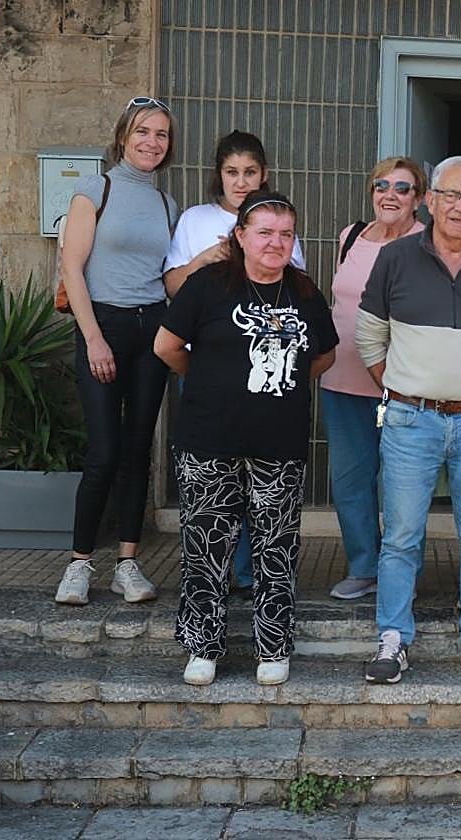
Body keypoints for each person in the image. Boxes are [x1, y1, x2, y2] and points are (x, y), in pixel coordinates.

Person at [153, 190, 338, 687]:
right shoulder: (208, 285)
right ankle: (202, 646)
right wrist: (213, 378)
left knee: (276, 547)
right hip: (208, 440)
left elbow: (324, 357)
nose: (275, 243)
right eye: (264, 232)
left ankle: (273, 646)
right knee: (206, 546)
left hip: (279, 443)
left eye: (285, 234)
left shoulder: (303, 291)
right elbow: (167, 346)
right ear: (240, 236)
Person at [358, 155, 461, 685]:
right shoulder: (396, 257)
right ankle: (392, 637)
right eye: (451, 195)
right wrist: (408, 385)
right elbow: (369, 335)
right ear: (430, 201)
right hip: (410, 419)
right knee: (402, 535)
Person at [163, 130, 307, 598]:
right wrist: (209, 259)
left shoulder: (278, 220)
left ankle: (248, 573)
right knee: (212, 490)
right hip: (208, 377)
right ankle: (213, 577)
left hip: (269, 382)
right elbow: (172, 287)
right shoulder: (194, 219)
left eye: (250, 172)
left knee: (264, 491)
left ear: (263, 175)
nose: (241, 181)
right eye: (231, 172)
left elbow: (298, 288)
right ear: (218, 176)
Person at [53, 96, 179, 607]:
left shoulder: (168, 204)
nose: (152, 142)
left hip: (151, 330)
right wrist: (94, 338)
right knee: (103, 451)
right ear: (124, 135)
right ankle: (80, 563)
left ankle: (128, 562)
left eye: (162, 134)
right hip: (102, 323)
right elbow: (71, 269)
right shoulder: (94, 190)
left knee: (136, 449)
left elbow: (168, 278)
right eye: (144, 131)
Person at [321, 157, 426, 601]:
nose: (390, 194)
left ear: (418, 199)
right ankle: (364, 566)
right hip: (341, 378)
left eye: (403, 188)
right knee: (350, 478)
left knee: (401, 482)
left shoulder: (427, 243)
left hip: (399, 383)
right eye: (381, 185)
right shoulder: (351, 237)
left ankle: (401, 571)